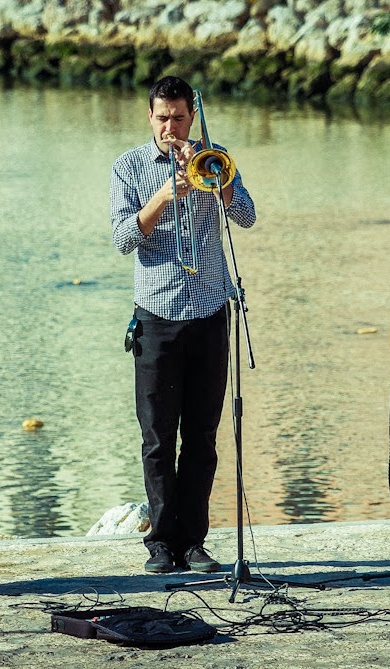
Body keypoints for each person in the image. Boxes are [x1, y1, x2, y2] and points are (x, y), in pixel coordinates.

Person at [110, 76, 257, 574]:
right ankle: (161, 544)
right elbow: (122, 238)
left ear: (191, 116)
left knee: (202, 437)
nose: (170, 127)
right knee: (156, 438)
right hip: (156, 316)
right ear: (149, 117)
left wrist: (222, 181)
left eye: (178, 117)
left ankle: (194, 542)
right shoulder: (129, 167)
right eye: (161, 118)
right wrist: (163, 196)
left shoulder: (214, 158)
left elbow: (248, 218)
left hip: (211, 314)